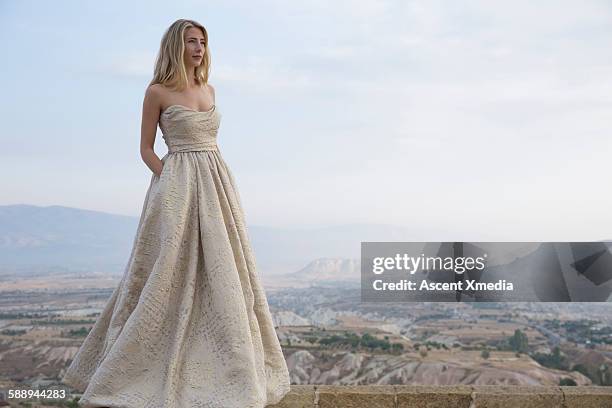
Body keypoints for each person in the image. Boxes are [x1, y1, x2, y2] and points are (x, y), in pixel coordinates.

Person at [61, 18, 292, 408]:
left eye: (202, 41)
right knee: (165, 268)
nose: (199, 48)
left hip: (217, 183)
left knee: (225, 268)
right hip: (176, 185)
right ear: (176, 46)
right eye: (191, 41)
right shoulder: (157, 92)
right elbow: (146, 149)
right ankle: (139, 364)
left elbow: (210, 142)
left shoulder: (209, 89)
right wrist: (169, 178)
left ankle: (230, 371)